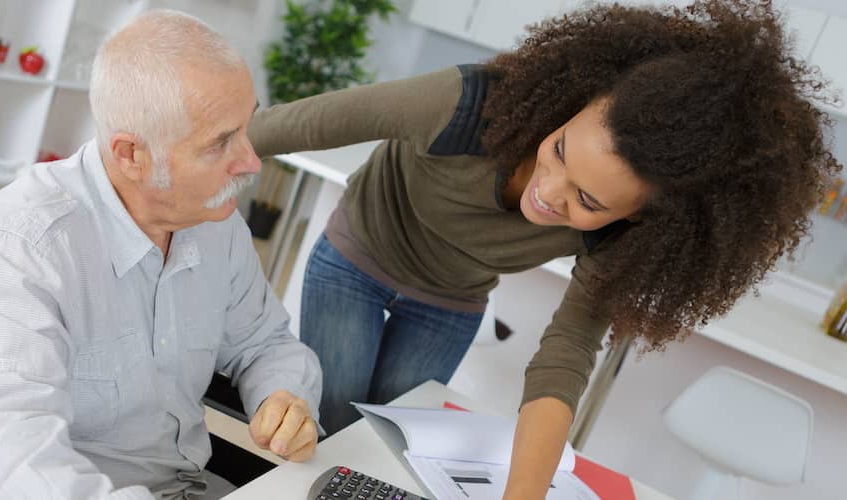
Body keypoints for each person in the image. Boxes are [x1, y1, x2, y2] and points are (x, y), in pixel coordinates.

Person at [248, 1, 840, 498]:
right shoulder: (467, 103)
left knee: (389, 448)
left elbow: (565, 359)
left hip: (451, 298)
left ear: (640, 218)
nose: (548, 193)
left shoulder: (620, 236)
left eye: (587, 199)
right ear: (573, 105)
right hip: (359, 257)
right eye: (558, 150)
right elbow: (302, 124)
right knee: (331, 433)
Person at [0, 10, 322, 500]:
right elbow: (0, 458)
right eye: (221, 142)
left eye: (246, 128)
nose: (251, 162)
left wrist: (285, 394)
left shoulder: (216, 225)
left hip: (189, 484)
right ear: (132, 155)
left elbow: (267, 343)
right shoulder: (21, 244)